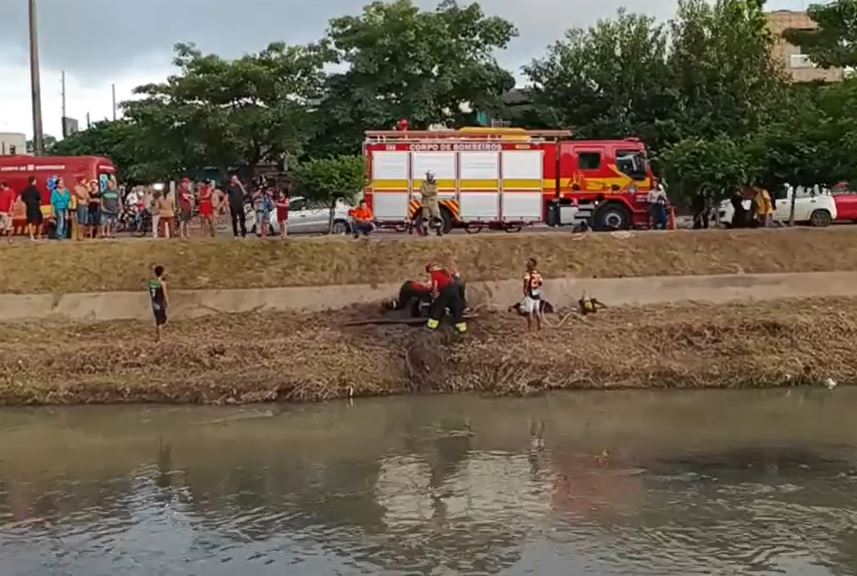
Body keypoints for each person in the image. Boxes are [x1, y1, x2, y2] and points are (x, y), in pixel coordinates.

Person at [426, 262, 467, 334]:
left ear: (431, 269)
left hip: (446, 290)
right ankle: (462, 329)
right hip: (455, 289)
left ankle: (430, 327)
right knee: (456, 308)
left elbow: (435, 285)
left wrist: (434, 296)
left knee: (438, 307)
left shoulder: (435, 274)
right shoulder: (445, 272)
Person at [148, 265, 169, 342]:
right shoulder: (162, 283)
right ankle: (159, 338)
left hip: (154, 303)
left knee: (158, 320)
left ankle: (159, 336)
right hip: (160, 303)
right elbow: (165, 294)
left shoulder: (152, 283)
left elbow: (152, 292)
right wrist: (167, 302)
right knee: (161, 320)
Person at [523, 258, 544, 332]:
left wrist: (525, 292)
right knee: (537, 311)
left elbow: (526, 283)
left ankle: (530, 328)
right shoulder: (538, 273)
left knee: (529, 312)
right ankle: (539, 326)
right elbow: (541, 283)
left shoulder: (528, 273)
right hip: (537, 293)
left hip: (530, 294)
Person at [419, 171, 443, 236]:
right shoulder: (423, 184)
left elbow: (434, 191)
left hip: (433, 204)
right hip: (425, 204)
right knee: (425, 217)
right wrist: (429, 193)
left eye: (430, 176)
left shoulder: (435, 184)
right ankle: (425, 232)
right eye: (428, 176)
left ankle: (438, 231)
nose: (429, 177)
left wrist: (427, 193)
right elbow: (422, 191)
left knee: (437, 217)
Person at [21, 176, 43, 241]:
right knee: (40, 221)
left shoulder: (25, 190)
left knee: (30, 221)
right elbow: (39, 199)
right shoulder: (36, 189)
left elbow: (22, 198)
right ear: (34, 181)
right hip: (35, 206)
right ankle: (39, 235)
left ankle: (31, 235)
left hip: (29, 206)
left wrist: (27, 202)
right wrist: (39, 204)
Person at [72, 176, 90, 241]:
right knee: (80, 221)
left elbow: (88, 197)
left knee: (85, 221)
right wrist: (85, 195)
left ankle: (82, 235)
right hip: (80, 205)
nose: (85, 182)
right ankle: (79, 236)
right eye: (84, 180)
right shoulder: (76, 188)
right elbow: (81, 196)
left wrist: (87, 189)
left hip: (85, 205)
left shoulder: (85, 188)